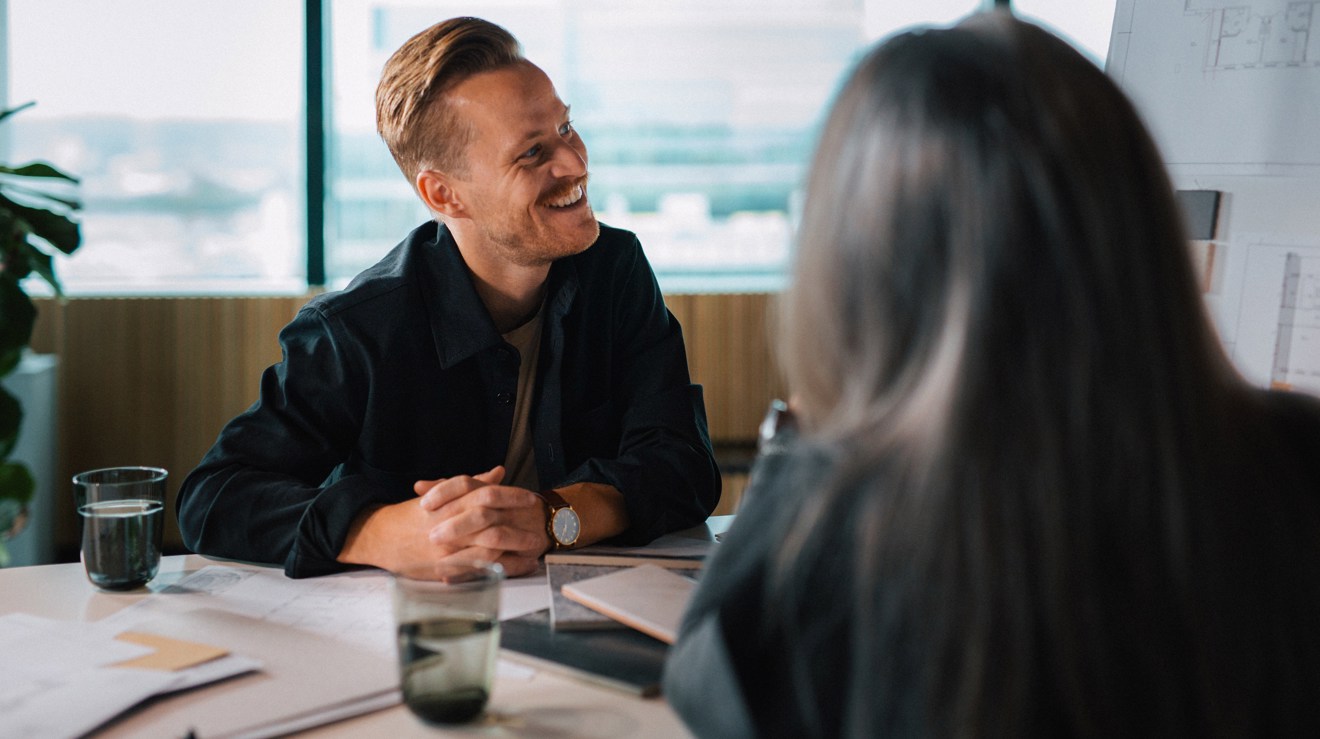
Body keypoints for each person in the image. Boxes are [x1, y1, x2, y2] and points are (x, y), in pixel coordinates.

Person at [663, 11, 1320, 737]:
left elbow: (707, 680)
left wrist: (799, 436)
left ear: (858, 273)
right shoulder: (1295, 462)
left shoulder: (841, 538)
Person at [176, 17, 720, 580]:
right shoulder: (357, 329)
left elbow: (683, 465)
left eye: (566, 128)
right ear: (445, 194)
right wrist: (382, 533)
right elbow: (214, 497)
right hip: (409, 631)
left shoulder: (615, 270)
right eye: (533, 153)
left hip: (588, 608)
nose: (575, 163)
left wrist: (552, 517)